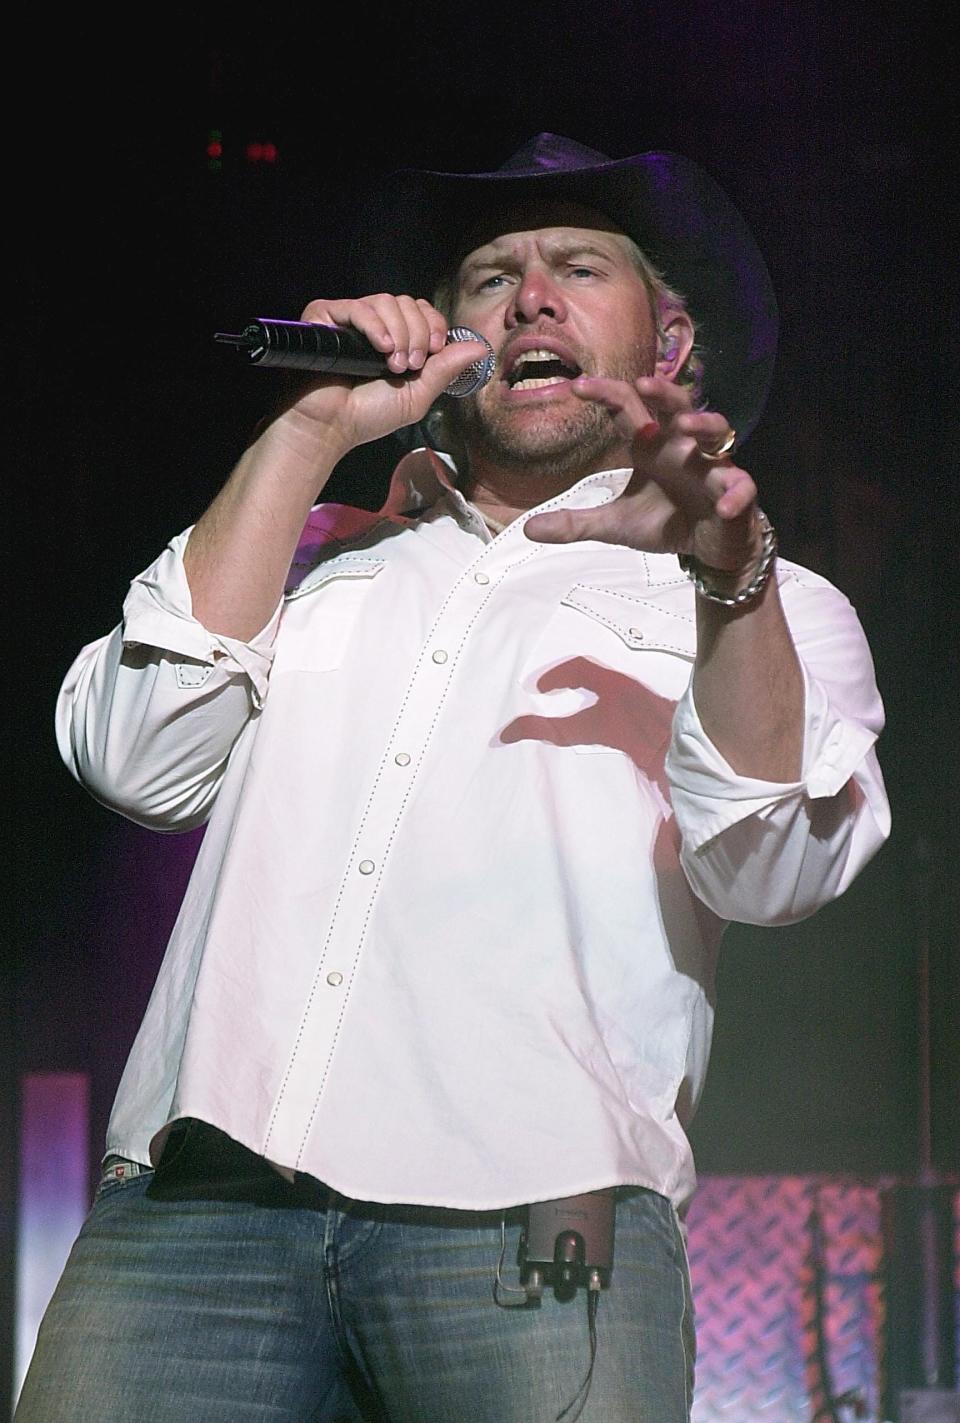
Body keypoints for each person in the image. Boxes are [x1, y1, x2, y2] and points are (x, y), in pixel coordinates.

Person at [18, 134, 890, 1422]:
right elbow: (136, 759)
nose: (528, 296)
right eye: (489, 277)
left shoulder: (767, 602)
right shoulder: (307, 552)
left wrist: (733, 581)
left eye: (578, 268)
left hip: (535, 1235)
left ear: (669, 345)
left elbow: (775, 873)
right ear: (444, 343)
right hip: (194, 1221)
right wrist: (308, 432)